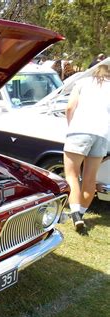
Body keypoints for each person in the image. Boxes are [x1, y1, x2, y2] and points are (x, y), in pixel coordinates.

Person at [64, 63, 110, 234]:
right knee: (90, 178)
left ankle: (75, 213)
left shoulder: (83, 82)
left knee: (72, 174)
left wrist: (71, 128)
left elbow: (69, 107)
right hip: (103, 134)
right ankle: (81, 213)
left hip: (80, 130)